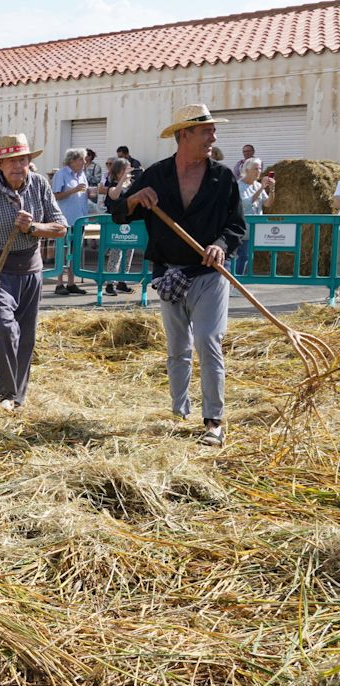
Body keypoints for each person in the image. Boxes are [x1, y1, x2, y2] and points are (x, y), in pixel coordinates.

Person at [113, 104, 245, 447]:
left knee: (208, 341)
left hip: (208, 273)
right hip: (169, 274)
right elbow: (117, 214)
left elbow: (237, 226)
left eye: (213, 131)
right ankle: (178, 412)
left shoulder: (223, 177)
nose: (213, 137)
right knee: (177, 349)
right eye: (206, 131)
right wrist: (133, 201)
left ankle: (213, 421)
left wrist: (220, 245)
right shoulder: (156, 174)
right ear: (183, 135)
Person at [0, 133, 68, 412]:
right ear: (1, 165)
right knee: (5, 329)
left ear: (30, 161)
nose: (17, 165)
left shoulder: (40, 185)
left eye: (22, 159)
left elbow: (61, 227)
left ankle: (18, 397)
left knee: (26, 336)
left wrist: (33, 228)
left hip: (31, 269)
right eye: (11, 161)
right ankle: (6, 393)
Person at [50, 148, 91, 295]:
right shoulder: (61, 174)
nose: (84, 162)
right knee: (63, 251)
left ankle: (71, 282)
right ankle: (59, 283)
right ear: (72, 160)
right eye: (81, 159)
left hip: (79, 219)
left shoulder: (82, 175)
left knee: (75, 251)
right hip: (65, 219)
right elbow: (55, 196)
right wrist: (73, 191)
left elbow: (84, 194)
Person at [233, 157, 275, 277]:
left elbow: (267, 203)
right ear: (247, 170)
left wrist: (272, 189)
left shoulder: (257, 185)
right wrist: (262, 187)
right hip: (242, 227)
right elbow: (246, 204)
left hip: (255, 228)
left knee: (248, 255)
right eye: (255, 169)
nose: (259, 172)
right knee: (242, 255)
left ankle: (239, 281)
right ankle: (236, 282)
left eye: (260, 169)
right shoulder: (238, 185)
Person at [101, 156, 136, 295]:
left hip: (130, 223)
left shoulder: (132, 184)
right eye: (123, 169)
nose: (127, 172)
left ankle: (123, 281)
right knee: (116, 254)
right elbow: (114, 195)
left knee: (128, 253)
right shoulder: (113, 185)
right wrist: (123, 179)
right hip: (115, 224)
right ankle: (110, 284)